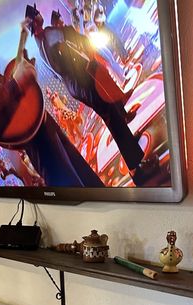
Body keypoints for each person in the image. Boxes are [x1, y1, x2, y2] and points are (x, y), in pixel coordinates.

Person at [0, 25, 104, 188]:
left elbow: (12, 103)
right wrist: (16, 82)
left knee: (82, 172)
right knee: (71, 186)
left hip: (44, 128)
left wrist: (26, 77)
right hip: (39, 142)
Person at [28, 6, 156, 185]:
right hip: (82, 80)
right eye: (37, 14)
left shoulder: (41, 42)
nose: (40, 14)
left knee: (112, 114)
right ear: (34, 22)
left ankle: (132, 148)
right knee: (112, 116)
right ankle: (136, 168)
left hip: (76, 83)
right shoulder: (48, 35)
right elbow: (72, 38)